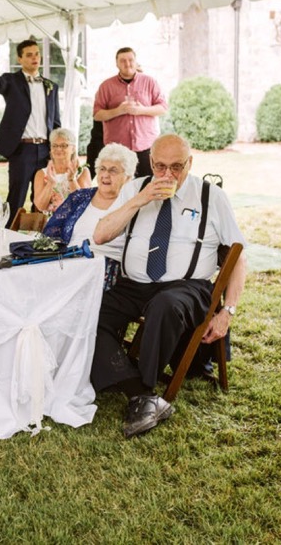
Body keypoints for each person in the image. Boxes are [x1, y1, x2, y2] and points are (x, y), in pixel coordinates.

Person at [91, 134, 247, 438]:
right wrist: (140, 199)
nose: (167, 175)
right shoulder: (135, 189)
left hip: (187, 287)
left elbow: (238, 257)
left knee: (165, 306)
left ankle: (143, 386)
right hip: (133, 284)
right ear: (150, 162)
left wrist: (227, 311)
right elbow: (100, 236)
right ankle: (142, 395)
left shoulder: (210, 196)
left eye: (176, 167)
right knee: (89, 314)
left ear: (190, 163)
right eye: (160, 166)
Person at [0, 39, 61, 227]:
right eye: (29, 55)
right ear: (20, 59)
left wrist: (56, 150)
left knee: (43, 197)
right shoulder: (11, 81)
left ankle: (41, 236)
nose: (34, 58)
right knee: (16, 196)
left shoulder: (51, 86)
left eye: (37, 54)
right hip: (22, 149)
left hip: (44, 149)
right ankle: (8, 233)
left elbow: (56, 121)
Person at [43, 143, 137, 290]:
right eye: (102, 169)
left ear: (128, 177)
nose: (105, 175)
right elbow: (51, 233)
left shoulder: (131, 206)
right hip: (66, 263)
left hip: (103, 269)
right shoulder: (80, 197)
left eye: (113, 170)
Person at [93, 48, 167, 177]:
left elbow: (163, 108)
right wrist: (118, 111)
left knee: (148, 186)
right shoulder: (106, 86)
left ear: (136, 61)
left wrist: (141, 110)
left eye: (130, 60)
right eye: (122, 61)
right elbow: (97, 114)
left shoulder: (150, 82)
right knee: (119, 190)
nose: (127, 64)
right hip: (117, 151)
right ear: (116, 64)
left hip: (146, 147)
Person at [32, 128, 92, 214]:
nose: (59, 149)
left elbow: (83, 204)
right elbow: (40, 206)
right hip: (51, 223)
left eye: (64, 145)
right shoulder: (41, 174)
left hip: (76, 223)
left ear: (73, 149)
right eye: (55, 145)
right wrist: (50, 183)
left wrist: (72, 180)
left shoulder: (83, 172)